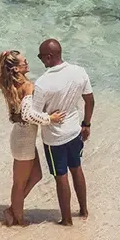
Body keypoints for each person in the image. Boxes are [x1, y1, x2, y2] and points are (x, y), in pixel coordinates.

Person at [0, 50, 65, 227]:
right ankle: (17, 218)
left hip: (21, 137)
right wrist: (50, 119)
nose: (28, 63)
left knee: (36, 175)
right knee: (19, 183)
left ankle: (13, 209)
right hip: (23, 140)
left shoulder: (11, 85)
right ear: (17, 69)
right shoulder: (27, 86)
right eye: (24, 62)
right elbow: (27, 115)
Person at [32, 38, 94, 226]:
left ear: (49, 57)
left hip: (54, 138)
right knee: (77, 170)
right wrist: (86, 124)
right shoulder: (79, 72)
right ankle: (83, 210)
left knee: (61, 177)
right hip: (75, 131)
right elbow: (90, 101)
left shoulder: (43, 83)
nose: (41, 60)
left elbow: (35, 114)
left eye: (41, 56)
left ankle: (66, 220)